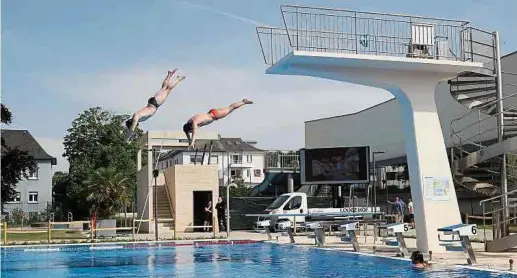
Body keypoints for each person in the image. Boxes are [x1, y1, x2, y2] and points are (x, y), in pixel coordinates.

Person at [125, 69, 186, 139]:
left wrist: (128, 136)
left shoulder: (136, 117)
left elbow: (132, 129)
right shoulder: (137, 116)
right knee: (164, 88)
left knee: (168, 89)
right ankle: (169, 74)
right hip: (152, 103)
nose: (136, 126)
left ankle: (178, 78)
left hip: (155, 104)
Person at [182, 99, 253, 148]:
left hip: (215, 115)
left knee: (230, 109)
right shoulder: (189, 122)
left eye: (190, 131)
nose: (190, 132)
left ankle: (244, 102)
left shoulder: (194, 123)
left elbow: (194, 133)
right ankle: (242, 102)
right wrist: (190, 143)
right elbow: (187, 133)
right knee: (230, 108)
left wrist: (192, 142)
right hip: (211, 112)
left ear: (191, 128)